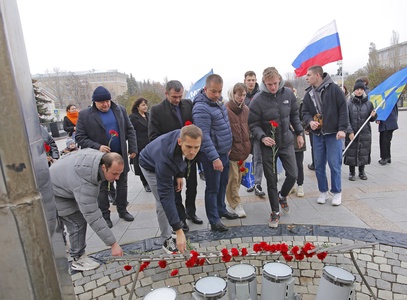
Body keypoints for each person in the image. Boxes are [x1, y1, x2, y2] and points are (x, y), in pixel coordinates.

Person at [49, 149, 124, 271]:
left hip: (63, 181)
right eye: (115, 174)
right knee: (77, 222)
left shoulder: (97, 161)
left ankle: (64, 244)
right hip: (55, 190)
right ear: (104, 167)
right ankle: (78, 259)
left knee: (75, 218)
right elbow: (93, 215)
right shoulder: (85, 182)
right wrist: (113, 244)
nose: (117, 178)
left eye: (120, 173)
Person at [248, 67, 304, 228]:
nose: (272, 87)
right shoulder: (258, 100)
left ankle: (283, 195)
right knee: (271, 180)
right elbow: (253, 124)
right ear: (264, 82)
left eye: (275, 83)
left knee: (293, 175)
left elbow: (294, 115)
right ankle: (275, 212)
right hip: (268, 145)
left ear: (279, 79)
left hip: (286, 141)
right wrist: (262, 137)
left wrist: (299, 133)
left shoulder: (288, 94)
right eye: (269, 84)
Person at [76, 86, 137, 228]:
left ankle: (122, 210)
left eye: (108, 101)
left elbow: (130, 130)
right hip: (99, 160)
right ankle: (105, 215)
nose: (105, 104)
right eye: (101, 102)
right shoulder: (85, 115)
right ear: (94, 102)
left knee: (122, 185)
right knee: (102, 188)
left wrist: (133, 148)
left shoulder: (120, 110)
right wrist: (98, 146)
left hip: (120, 156)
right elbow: (80, 137)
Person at [139, 125, 202, 254]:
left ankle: (172, 228)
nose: (193, 151)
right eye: (189, 147)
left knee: (172, 198)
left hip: (168, 161)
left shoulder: (191, 141)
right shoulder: (165, 159)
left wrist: (179, 174)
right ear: (180, 141)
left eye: (196, 147)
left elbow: (186, 158)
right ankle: (166, 239)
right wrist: (179, 231)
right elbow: (165, 196)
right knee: (162, 203)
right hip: (149, 165)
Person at [149, 80, 203, 231]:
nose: (178, 100)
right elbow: (154, 138)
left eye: (180, 96)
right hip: (172, 156)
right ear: (166, 94)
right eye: (174, 97)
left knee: (192, 185)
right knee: (176, 189)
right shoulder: (157, 110)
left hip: (190, 155)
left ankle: (191, 212)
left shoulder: (188, 105)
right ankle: (181, 218)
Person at [192, 74, 237, 232]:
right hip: (211, 156)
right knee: (212, 187)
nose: (217, 95)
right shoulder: (201, 108)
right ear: (205, 89)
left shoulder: (218, 103)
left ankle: (221, 209)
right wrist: (215, 158)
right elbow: (203, 136)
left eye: (219, 91)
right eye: (213, 91)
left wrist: (228, 145)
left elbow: (224, 125)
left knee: (223, 184)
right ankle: (214, 219)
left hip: (223, 152)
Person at [302, 65, 348, 206]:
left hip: (333, 134)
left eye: (309, 75)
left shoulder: (334, 89)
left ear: (318, 75)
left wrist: (342, 129)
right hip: (317, 134)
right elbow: (304, 112)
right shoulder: (308, 93)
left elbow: (343, 110)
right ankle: (323, 191)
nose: (306, 77)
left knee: (335, 164)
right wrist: (310, 122)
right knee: (319, 165)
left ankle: (337, 192)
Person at [225, 83, 251, 218]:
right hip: (232, 150)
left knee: (239, 177)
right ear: (233, 94)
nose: (242, 98)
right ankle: (235, 203)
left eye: (244, 95)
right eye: (239, 95)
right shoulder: (226, 109)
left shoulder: (246, 109)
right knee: (233, 178)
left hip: (243, 150)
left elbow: (248, 127)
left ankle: (233, 199)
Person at [344, 80, 377, 180]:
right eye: (357, 89)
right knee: (352, 151)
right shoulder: (349, 103)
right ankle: (352, 172)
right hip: (352, 132)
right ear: (354, 90)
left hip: (364, 132)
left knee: (363, 151)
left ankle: (362, 172)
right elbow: (346, 119)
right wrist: (349, 131)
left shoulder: (368, 103)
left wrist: (373, 116)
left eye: (361, 89)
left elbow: (371, 119)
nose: (359, 91)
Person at [244, 71, 265, 197]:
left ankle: (257, 183)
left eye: (253, 80)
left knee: (258, 158)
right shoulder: (241, 94)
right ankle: (249, 182)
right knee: (245, 159)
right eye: (249, 80)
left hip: (257, 131)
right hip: (245, 133)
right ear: (245, 80)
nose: (251, 82)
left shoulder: (261, 94)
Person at [285, 81, 306, 197]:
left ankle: (300, 185)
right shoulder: (281, 102)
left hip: (298, 136)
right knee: (288, 163)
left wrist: (299, 126)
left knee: (299, 163)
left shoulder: (300, 103)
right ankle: (291, 185)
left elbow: (305, 118)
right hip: (286, 137)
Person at [129, 97, 151, 192]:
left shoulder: (149, 115)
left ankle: (150, 181)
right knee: (141, 165)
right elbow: (130, 132)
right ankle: (145, 183)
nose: (145, 107)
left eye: (146, 104)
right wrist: (132, 147)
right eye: (143, 105)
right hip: (139, 144)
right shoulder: (133, 117)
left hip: (150, 144)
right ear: (137, 107)